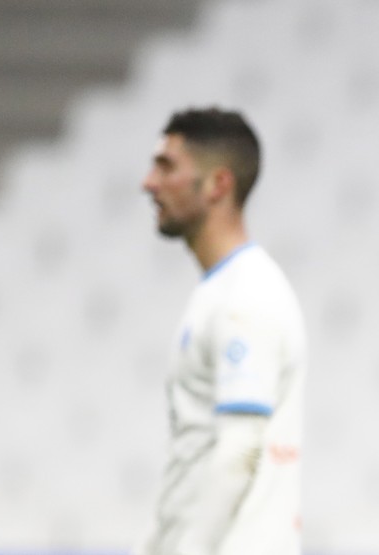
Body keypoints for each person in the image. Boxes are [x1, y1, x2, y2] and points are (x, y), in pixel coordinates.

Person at [138, 107, 307, 555]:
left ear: (218, 184)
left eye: (166, 166)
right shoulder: (221, 290)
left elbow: (241, 450)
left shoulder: (247, 296)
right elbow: (194, 455)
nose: (148, 183)